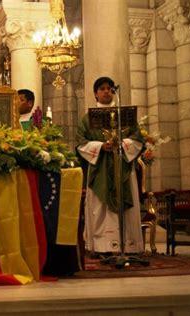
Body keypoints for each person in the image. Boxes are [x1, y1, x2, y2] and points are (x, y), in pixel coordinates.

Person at [76, 76, 144, 256]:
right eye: (102, 89)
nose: (106, 91)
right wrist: (100, 146)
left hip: (122, 165)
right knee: (99, 207)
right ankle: (101, 246)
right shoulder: (87, 119)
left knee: (125, 204)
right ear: (95, 94)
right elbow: (81, 143)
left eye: (109, 88)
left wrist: (121, 144)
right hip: (100, 168)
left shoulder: (126, 116)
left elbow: (137, 139)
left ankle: (128, 245)